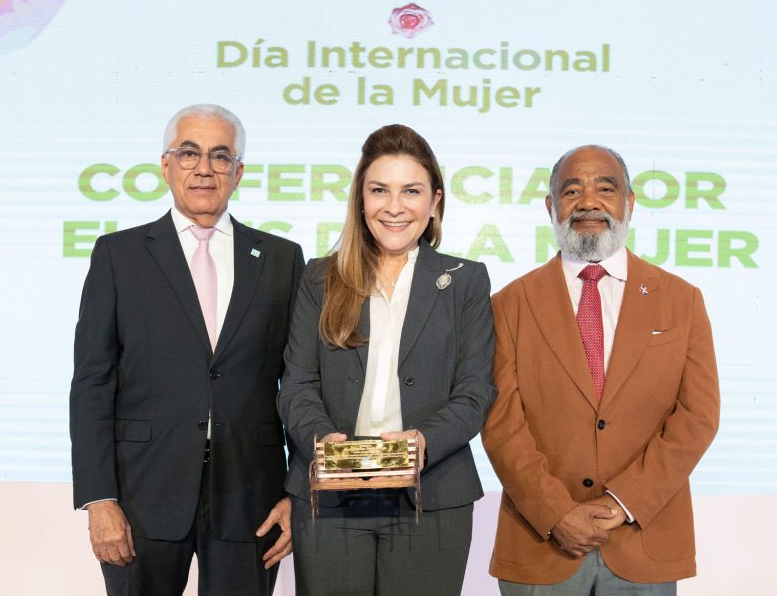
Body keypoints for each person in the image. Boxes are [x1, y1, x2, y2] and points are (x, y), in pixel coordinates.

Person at [70, 104, 304, 595]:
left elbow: (301, 383)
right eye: (189, 153)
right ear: (165, 165)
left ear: (238, 173)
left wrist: (296, 491)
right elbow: (93, 383)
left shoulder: (282, 259)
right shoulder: (119, 255)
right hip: (140, 497)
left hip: (252, 499)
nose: (204, 168)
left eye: (221, 156)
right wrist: (99, 499)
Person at [482, 145, 720, 595]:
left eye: (605, 188)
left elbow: (698, 417)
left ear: (628, 204)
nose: (588, 202)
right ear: (551, 207)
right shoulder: (509, 304)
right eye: (571, 190)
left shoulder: (681, 299)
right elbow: (500, 425)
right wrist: (557, 513)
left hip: (643, 541)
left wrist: (623, 502)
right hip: (541, 544)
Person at [277, 124, 496, 595]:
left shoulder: (467, 281)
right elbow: (295, 385)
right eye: (380, 190)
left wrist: (422, 442)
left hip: (432, 498)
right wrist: (325, 444)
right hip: (331, 500)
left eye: (411, 191)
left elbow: (476, 391)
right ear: (360, 198)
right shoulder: (320, 278)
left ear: (434, 201)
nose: (394, 207)